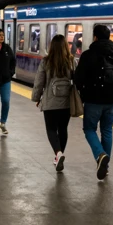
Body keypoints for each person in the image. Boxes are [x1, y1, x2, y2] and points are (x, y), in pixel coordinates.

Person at [74, 24, 113, 180]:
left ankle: (100, 155)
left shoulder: (87, 55)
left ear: (95, 37)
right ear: (110, 36)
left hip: (93, 100)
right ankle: (106, 166)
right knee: (107, 131)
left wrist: (84, 91)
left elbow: (78, 79)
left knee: (89, 129)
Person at [31, 34, 74, 173]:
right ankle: (58, 156)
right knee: (63, 129)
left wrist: (36, 98)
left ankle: (58, 153)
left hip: (50, 102)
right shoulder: (71, 61)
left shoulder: (46, 61)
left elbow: (39, 82)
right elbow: (77, 80)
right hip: (66, 103)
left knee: (51, 129)